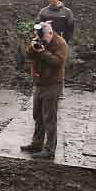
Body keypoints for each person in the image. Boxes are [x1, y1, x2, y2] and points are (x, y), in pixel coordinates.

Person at [20, 21, 68, 159]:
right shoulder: (39, 40)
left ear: (51, 33)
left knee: (49, 118)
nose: (42, 39)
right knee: (38, 115)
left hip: (53, 84)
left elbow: (58, 62)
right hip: (39, 84)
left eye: (44, 36)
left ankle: (50, 149)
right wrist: (33, 47)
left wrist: (43, 52)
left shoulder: (60, 43)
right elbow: (28, 55)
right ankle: (37, 143)